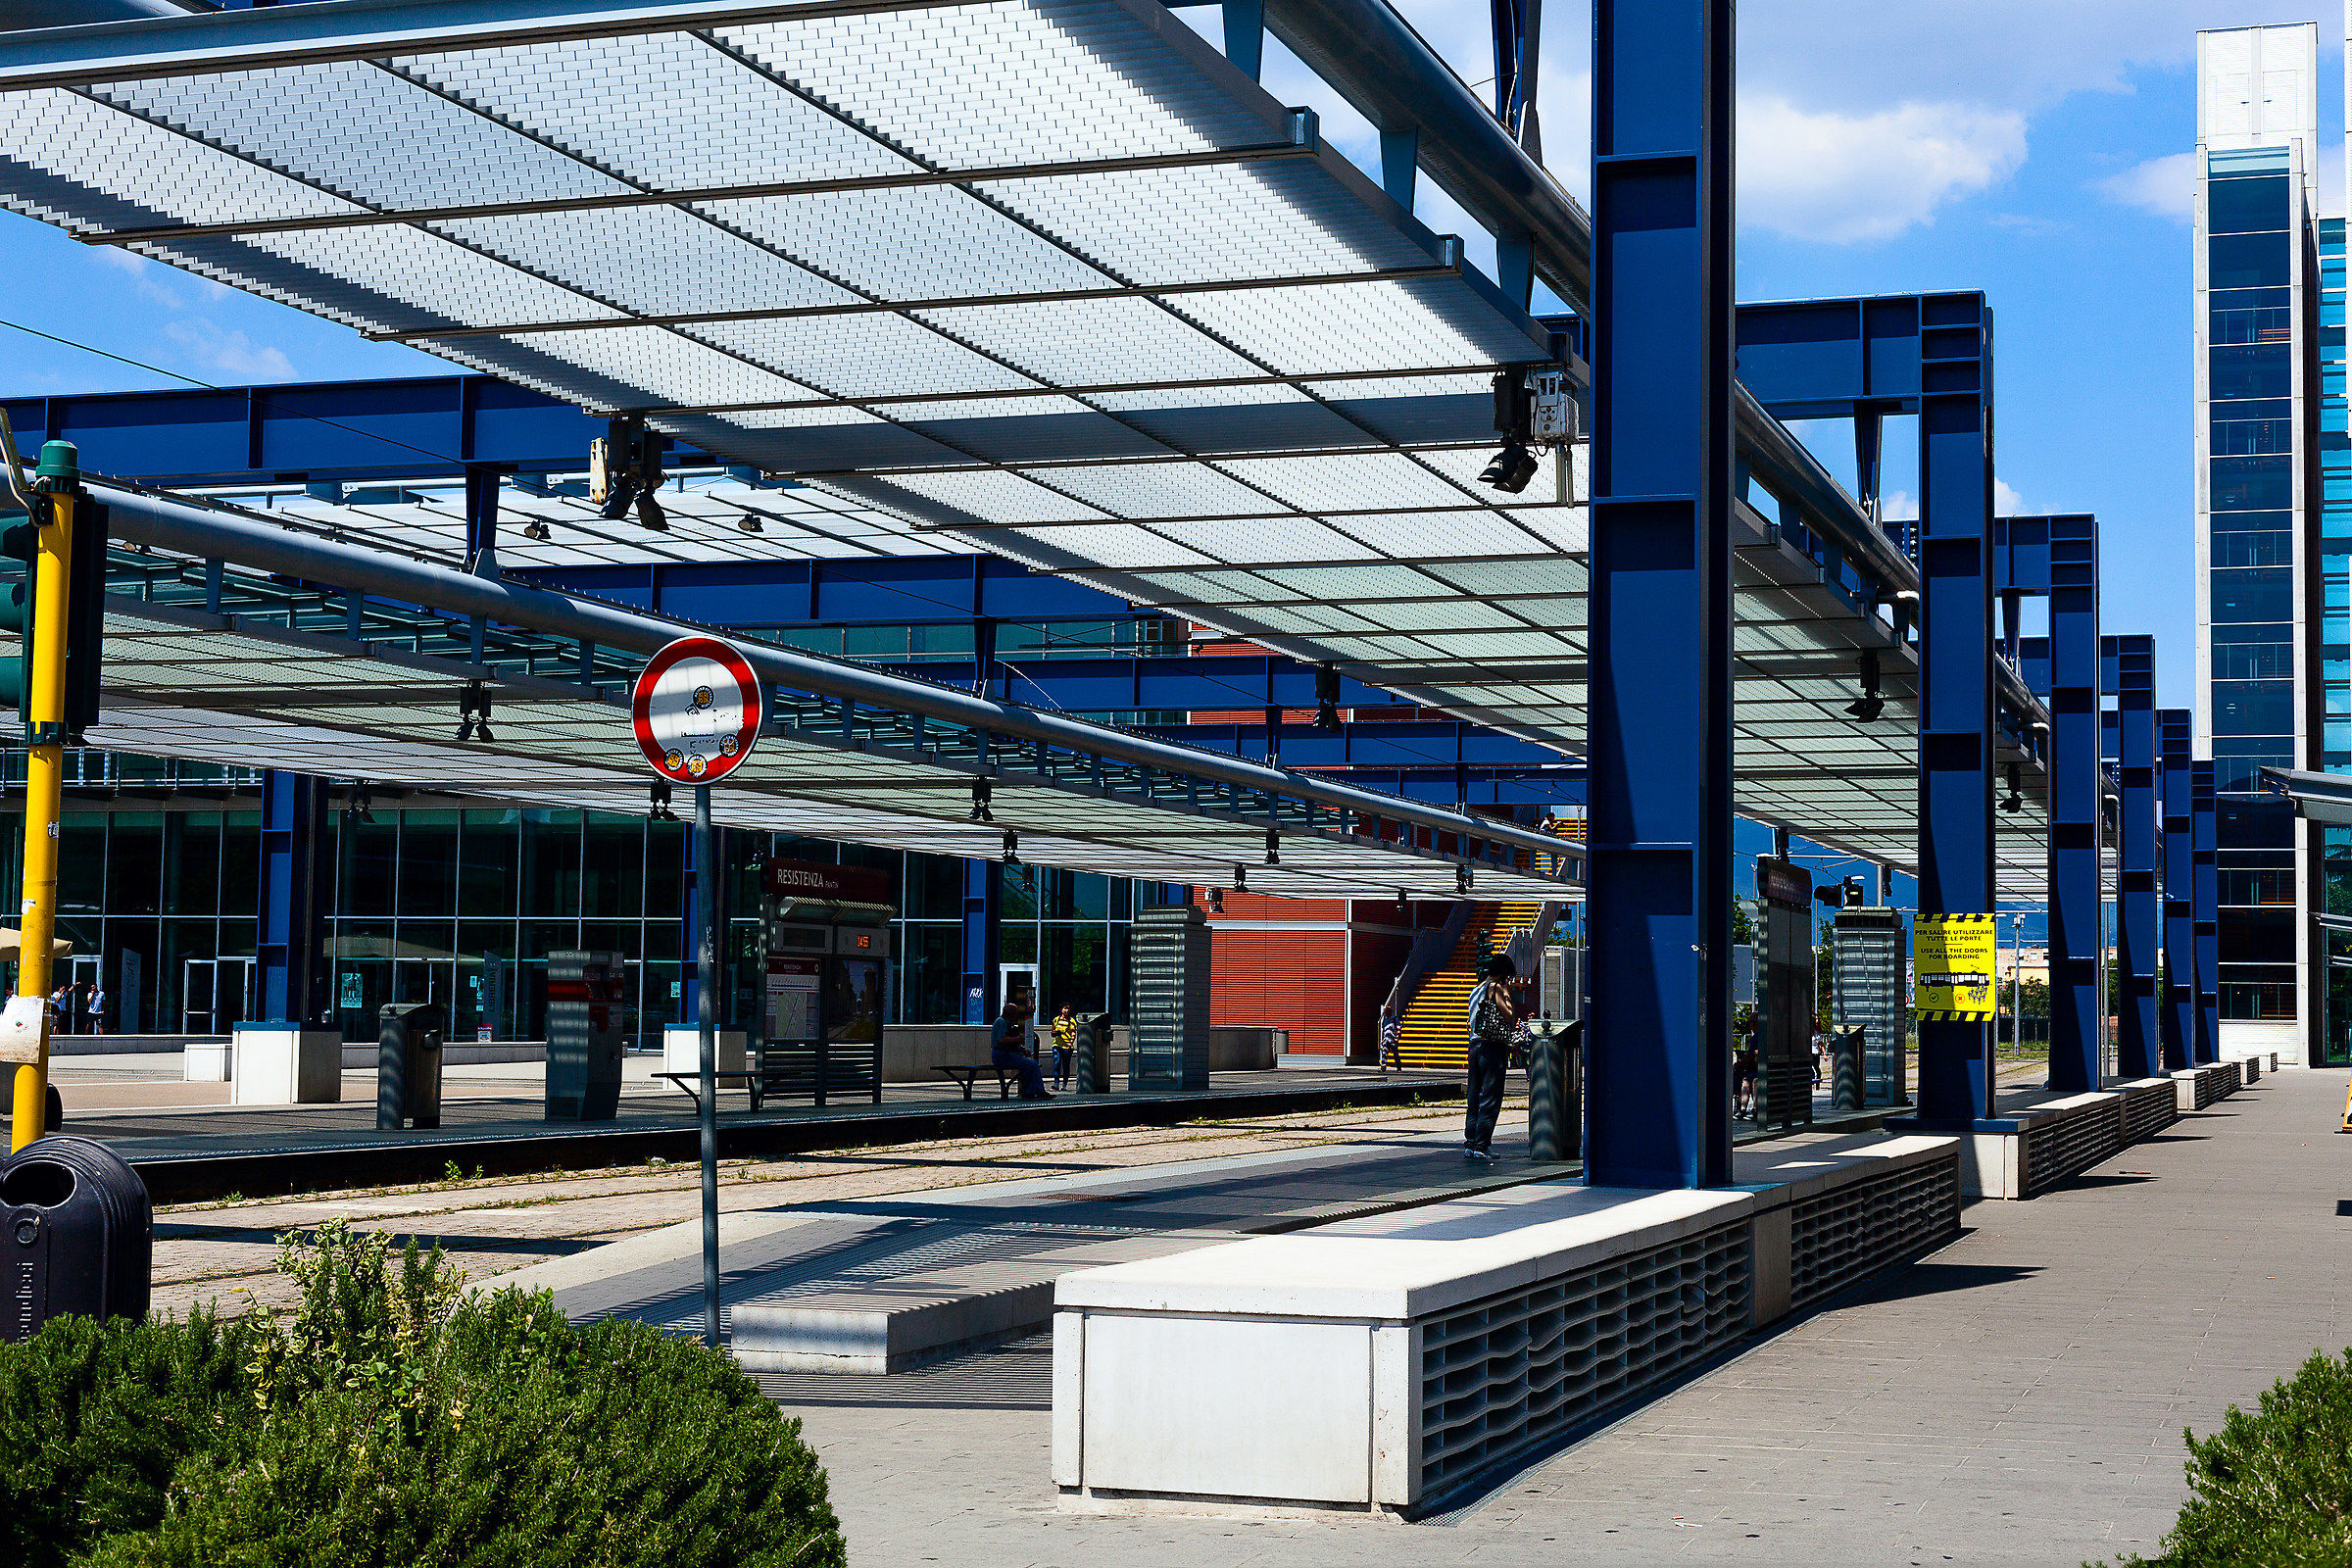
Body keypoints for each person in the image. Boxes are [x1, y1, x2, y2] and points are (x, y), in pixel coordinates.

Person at [1462, 954, 1522, 1162]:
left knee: (1474, 1096)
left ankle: (1470, 1143)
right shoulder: (1495, 988)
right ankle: (1482, 1145)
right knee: (1490, 1097)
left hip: (1474, 1045)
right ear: (1503, 974)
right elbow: (1508, 1015)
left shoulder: (1475, 989)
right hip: (1492, 1046)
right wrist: (1506, 994)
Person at [992, 994, 1052, 1101]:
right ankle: (1035, 1091)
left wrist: (1022, 1048)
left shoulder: (1008, 1023)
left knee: (1031, 1064)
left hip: (1009, 1054)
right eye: (1016, 1013)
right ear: (1011, 1013)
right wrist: (1019, 1039)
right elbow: (1002, 1040)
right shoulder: (1001, 1022)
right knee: (1031, 1063)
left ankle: (1032, 1090)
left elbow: (1012, 1042)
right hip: (1002, 1055)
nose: (1017, 1015)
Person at [1050, 1003, 1077, 1092]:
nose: (1067, 1010)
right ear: (1061, 1009)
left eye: (1068, 1009)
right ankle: (1056, 1083)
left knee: (1066, 1065)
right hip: (1057, 1045)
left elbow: (1073, 1033)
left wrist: (1070, 1043)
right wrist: (1054, 1033)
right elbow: (1052, 1031)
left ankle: (1064, 1084)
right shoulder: (1056, 1020)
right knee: (1057, 1062)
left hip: (1067, 1047)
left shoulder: (1072, 1021)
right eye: (1065, 1008)